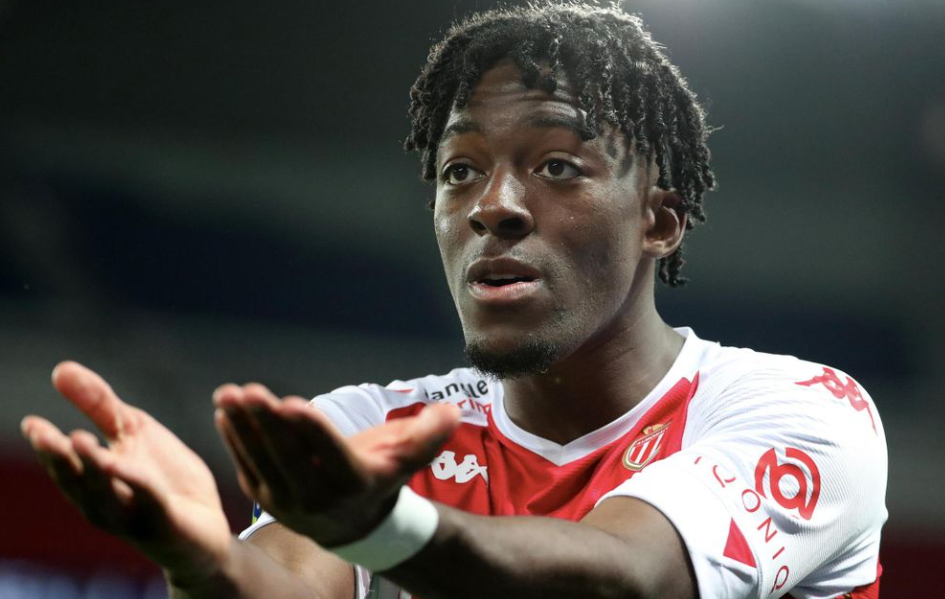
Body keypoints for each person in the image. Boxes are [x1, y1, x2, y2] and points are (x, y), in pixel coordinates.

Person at [21, 4, 887, 599]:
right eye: (460, 170)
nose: (491, 205)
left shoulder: (802, 415)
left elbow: (625, 576)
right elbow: (283, 585)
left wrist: (387, 526)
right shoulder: (372, 430)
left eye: (557, 165)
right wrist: (202, 560)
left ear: (658, 220)